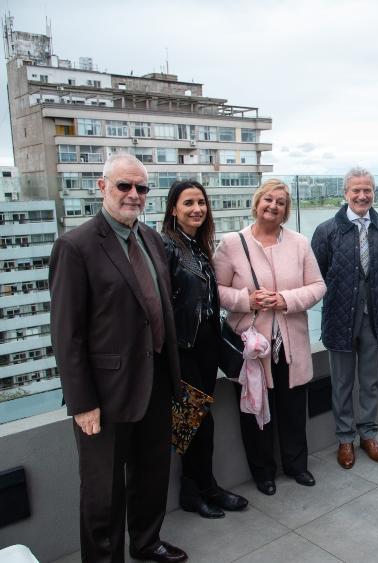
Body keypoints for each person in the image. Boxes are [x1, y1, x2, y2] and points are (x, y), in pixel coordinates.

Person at [49, 153, 187, 562]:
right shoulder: (75, 247)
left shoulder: (150, 239)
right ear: (101, 186)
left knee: (151, 474)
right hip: (105, 396)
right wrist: (83, 402)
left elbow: (159, 308)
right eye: (124, 185)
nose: (133, 194)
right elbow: (66, 334)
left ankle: (146, 543)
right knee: (102, 491)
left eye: (141, 188)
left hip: (157, 381)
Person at [214, 179, 326, 495]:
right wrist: (245, 300)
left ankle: (296, 466)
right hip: (253, 348)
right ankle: (263, 472)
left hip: (292, 346)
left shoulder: (300, 243)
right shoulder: (232, 243)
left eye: (280, 202)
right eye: (268, 199)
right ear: (257, 202)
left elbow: (318, 286)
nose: (273, 206)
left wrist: (286, 299)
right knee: (255, 414)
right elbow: (216, 290)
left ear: (286, 210)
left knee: (293, 409)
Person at [161, 180, 249, 519]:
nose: (197, 208)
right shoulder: (167, 247)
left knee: (199, 421)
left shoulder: (197, 245)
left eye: (201, 202)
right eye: (188, 203)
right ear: (173, 209)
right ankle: (195, 490)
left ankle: (204, 486)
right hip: (182, 350)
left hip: (205, 347)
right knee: (194, 423)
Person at [311, 167, 378, 469]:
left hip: (376, 317)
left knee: (371, 381)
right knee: (342, 383)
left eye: (368, 190)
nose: (362, 196)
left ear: (374, 192)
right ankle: (345, 439)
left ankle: (368, 433)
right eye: (356, 190)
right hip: (339, 318)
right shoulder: (326, 231)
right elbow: (318, 275)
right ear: (345, 193)